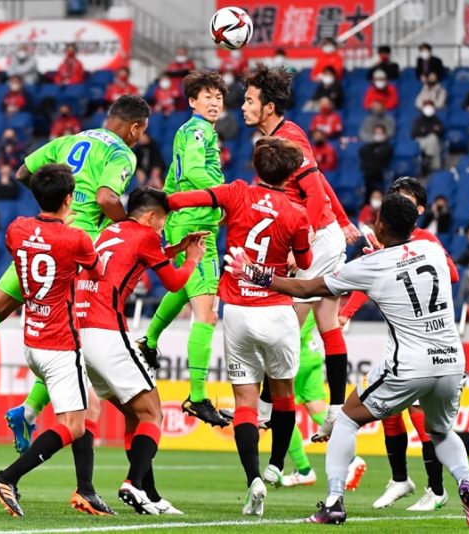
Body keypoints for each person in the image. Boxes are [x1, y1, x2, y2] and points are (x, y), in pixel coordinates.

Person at [0, 96, 152, 515]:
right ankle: (45, 430)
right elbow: (109, 195)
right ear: (135, 127)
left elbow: (23, 171)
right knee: (72, 343)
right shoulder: (120, 151)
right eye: (141, 131)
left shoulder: (69, 139)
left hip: (39, 237)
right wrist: (125, 224)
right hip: (77, 248)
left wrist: (49, 203)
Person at [226, 193, 469, 528]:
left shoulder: (369, 265)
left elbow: (307, 289)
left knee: (347, 420)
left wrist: (254, 273)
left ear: (380, 224)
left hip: (410, 364)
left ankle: (334, 502)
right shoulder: (433, 249)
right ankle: (467, 486)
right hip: (452, 361)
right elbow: (406, 266)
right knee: (440, 430)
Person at [166, 137, 313, 513]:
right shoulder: (297, 213)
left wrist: (163, 202)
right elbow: (306, 262)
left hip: (239, 311)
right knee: (283, 397)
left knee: (245, 403)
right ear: (290, 174)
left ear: (256, 166)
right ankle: (277, 466)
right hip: (278, 311)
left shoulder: (236, 192)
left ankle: (253, 480)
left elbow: (187, 199)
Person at [236, 66, 358, 437]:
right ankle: (336, 410)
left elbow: (315, 194)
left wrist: (300, 239)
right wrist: (343, 219)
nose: (242, 106)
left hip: (315, 240)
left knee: (284, 321)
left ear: (269, 107)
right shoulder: (283, 138)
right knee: (326, 323)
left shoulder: (288, 139)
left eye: (249, 100)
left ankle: (265, 409)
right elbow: (317, 181)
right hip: (323, 233)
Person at [0, 164, 104, 518]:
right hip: (60, 344)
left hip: (32, 337)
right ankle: (7, 477)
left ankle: (86, 491)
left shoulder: (16, 228)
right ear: (69, 199)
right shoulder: (76, 238)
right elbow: (96, 270)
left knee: (91, 406)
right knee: (73, 424)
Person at [77, 187, 204, 514]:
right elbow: (175, 282)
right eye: (163, 222)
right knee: (153, 413)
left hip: (81, 333)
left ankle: (150, 495)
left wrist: (175, 247)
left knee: (135, 413)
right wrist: (192, 259)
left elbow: (135, 257)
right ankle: (133, 483)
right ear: (150, 217)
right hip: (108, 329)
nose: (162, 229)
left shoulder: (111, 230)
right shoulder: (146, 236)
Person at [338, 178, 458, 512]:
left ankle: (436, 489)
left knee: (423, 420)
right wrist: (346, 313)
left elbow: (452, 274)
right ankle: (401, 479)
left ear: (419, 210)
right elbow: (367, 281)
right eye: (394, 197)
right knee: (389, 413)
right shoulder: (387, 241)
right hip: (400, 342)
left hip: (429, 345)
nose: (396, 203)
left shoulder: (425, 240)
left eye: (404, 199)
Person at [135, 71, 231, 428]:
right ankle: (198, 396)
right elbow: (191, 170)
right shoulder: (196, 130)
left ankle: (150, 338)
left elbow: (182, 176)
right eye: (207, 96)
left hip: (188, 221)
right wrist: (225, 194)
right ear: (192, 102)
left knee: (183, 286)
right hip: (192, 228)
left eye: (219, 97)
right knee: (206, 315)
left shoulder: (198, 131)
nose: (214, 102)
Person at [359, 125, 394, 194]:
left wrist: (373, 154)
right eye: (376, 133)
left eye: (380, 133)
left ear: (384, 134)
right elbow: (362, 152)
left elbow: (382, 156)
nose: (378, 135)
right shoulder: (369, 146)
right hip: (368, 176)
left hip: (380, 175)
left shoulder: (387, 146)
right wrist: (375, 153)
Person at [412, 100, 444, 172]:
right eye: (427, 106)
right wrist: (432, 130)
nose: (428, 108)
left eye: (430, 106)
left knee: (433, 138)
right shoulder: (418, 120)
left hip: (432, 142)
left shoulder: (437, 120)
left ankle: (430, 161)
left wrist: (425, 130)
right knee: (429, 138)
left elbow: (441, 131)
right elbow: (414, 133)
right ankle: (423, 163)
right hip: (421, 140)